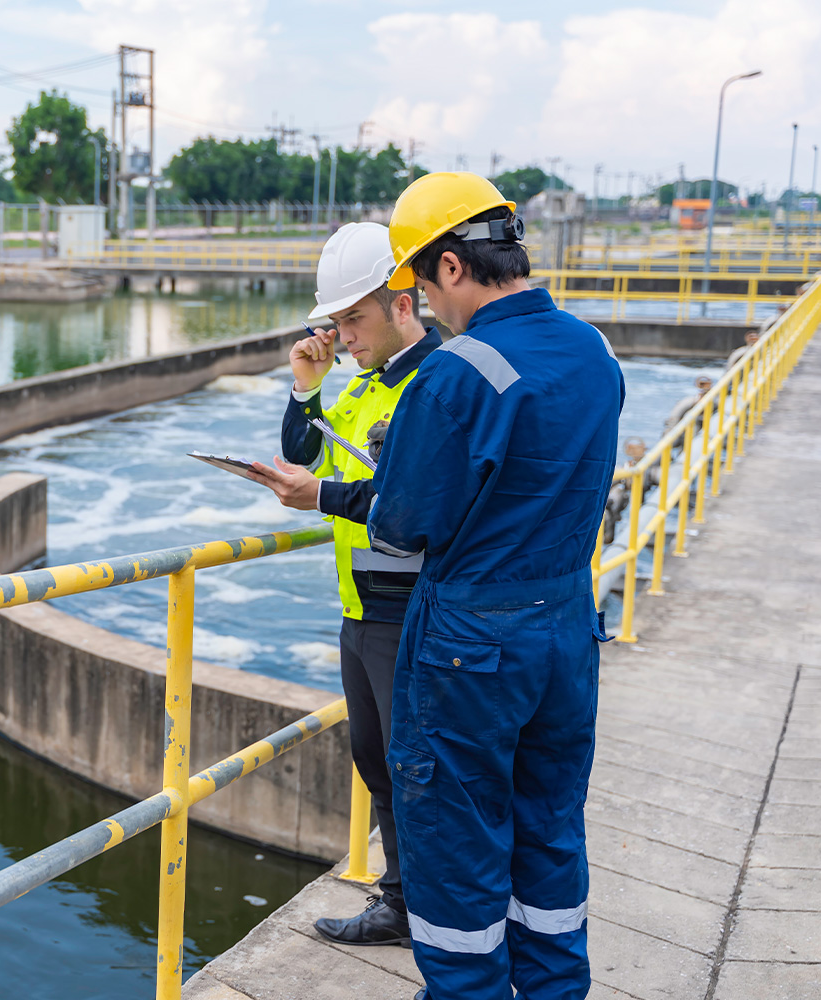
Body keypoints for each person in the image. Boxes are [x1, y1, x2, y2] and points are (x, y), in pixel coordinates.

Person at [244, 172, 625, 998]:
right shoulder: (593, 350)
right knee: (549, 830)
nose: (419, 296)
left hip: (469, 643)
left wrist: (371, 478)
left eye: (418, 276)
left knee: (455, 847)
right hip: (564, 624)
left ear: (451, 266)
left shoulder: (459, 375)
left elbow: (406, 522)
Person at [246, 221, 444, 948]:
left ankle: (442, 917)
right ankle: (400, 902)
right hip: (361, 609)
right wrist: (307, 385)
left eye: (353, 321)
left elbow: (412, 502)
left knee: (419, 773)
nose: (345, 336)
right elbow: (302, 451)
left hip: (411, 611)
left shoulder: (437, 383)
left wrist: (323, 494)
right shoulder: (362, 388)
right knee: (378, 765)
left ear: (403, 303)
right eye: (335, 323)